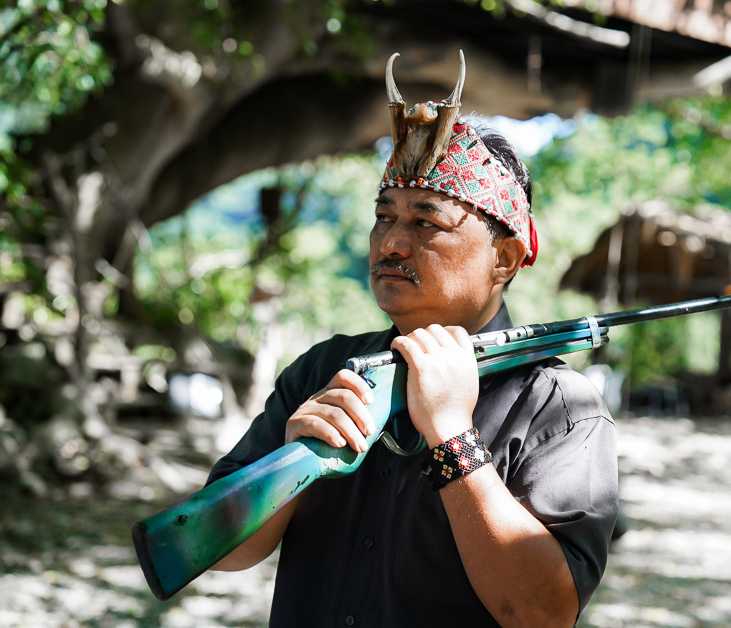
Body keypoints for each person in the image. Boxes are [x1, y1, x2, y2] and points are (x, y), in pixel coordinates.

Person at [206, 52, 619, 627]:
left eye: (425, 221)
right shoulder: (325, 368)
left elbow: (543, 614)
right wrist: (288, 465)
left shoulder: (556, 407)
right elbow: (217, 552)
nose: (391, 244)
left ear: (503, 258)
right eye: (384, 216)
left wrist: (452, 435)